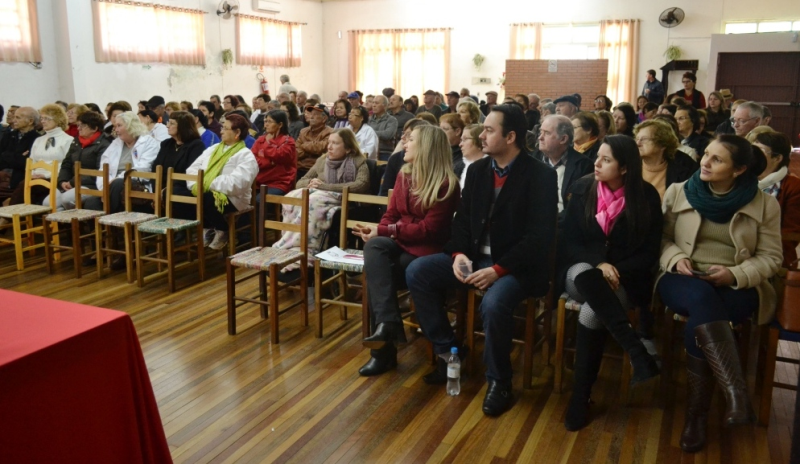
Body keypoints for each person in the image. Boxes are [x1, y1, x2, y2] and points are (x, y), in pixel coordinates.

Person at [406, 105, 558, 417]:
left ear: (511, 136)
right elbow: (462, 221)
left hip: (515, 267)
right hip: (476, 259)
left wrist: (498, 270)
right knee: (419, 271)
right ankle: (450, 353)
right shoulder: (477, 170)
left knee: (493, 303)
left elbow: (539, 237)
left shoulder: (540, 175)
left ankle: (499, 381)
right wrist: (459, 254)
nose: (480, 135)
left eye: (488, 130)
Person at [657, 135, 781, 453]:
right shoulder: (679, 191)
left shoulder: (764, 203)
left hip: (737, 285)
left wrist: (734, 274)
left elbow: (771, 258)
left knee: (701, 314)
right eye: (706, 155)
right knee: (700, 298)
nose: (705, 163)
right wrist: (676, 258)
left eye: (717, 160)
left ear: (739, 169)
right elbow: (661, 240)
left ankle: (696, 415)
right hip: (683, 277)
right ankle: (735, 396)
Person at [562, 135, 663, 431]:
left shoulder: (645, 197)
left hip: (626, 279)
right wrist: (600, 263)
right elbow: (569, 242)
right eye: (598, 157)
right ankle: (636, 350)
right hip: (580, 272)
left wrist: (614, 268)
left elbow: (648, 252)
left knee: (590, 312)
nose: (597, 163)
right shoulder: (583, 188)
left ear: (625, 168)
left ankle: (580, 397)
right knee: (584, 271)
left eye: (606, 160)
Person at [355, 125, 461, 376]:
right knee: (374, 246)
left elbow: (429, 231)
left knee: (379, 275)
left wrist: (391, 229)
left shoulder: (446, 184)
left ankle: (384, 352)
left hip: (426, 253)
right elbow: (390, 215)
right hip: (402, 244)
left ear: (426, 147)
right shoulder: (404, 174)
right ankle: (388, 325)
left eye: (411, 139)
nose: (404, 143)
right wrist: (383, 230)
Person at [272, 128, 370, 261]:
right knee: (291, 197)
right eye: (329, 142)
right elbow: (300, 182)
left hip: (347, 201)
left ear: (348, 148)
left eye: (335, 143)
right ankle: (291, 245)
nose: (329, 147)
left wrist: (325, 187)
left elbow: (360, 186)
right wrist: (311, 183)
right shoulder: (322, 160)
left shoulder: (358, 161)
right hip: (321, 195)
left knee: (312, 201)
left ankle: (308, 247)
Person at [180, 114, 258, 251]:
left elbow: (237, 184)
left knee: (206, 197)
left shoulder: (245, 155)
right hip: (206, 190)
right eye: (221, 127)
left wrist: (207, 182)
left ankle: (222, 229)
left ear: (237, 132)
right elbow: (192, 169)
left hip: (232, 198)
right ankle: (208, 227)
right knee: (177, 192)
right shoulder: (213, 149)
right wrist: (201, 183)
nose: (221, 131)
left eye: (225, 128)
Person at [84, 112, 160, 214]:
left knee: (118, 183)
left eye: (119, 126)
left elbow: (143, 168)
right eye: (115, 126)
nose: (116, 130)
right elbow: (104, 167)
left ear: (131, 126)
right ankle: (108, 226)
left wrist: (116, 180)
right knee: (90, 203)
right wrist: (105, 187)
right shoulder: (116, 143)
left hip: (138, 184)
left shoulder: (149, 142)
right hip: (113, 187)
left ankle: (111, 224)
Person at [5, 104, 77, 208]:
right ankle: (19, 216)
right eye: (42, 118)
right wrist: (33, 174)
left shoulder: (68, 140)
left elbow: (67, 165)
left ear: (58, 119)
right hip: (35, 178)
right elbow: (32, 161)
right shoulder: (38, 140)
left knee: (24, 185)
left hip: (55, 178)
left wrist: (46, 175)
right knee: (26, 184)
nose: (42, 121)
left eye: (47, 118)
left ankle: (11, 215)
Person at [749, 130, 800, 266]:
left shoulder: (793, 186)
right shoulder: (743, 179)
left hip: (773, 254)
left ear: (777, 158)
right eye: (752, 150)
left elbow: (791, 234)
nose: (753, 155)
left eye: (760, 151)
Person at [50, 111, 112, 211]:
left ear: (95, 128)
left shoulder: (104, 144)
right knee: (48, 203)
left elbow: (99, 172)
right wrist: (63, 181)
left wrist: (73, 182)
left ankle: (76, 222)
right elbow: (66, 163)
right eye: (78, 125)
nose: (78, 128)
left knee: (67, 199)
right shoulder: (76, 141)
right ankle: (67, 223)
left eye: (82, 126)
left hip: (91, 185)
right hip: (72, 183)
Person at [534, 115, 593, 215]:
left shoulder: (582, 165)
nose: (540, 137)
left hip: (562, 224)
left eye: (547, 133)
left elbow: (576, 210)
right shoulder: (534, 159)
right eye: (541, 132)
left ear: (563, 139)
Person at [633, 119, 699, 200]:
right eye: (637, 139)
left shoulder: (684, 166)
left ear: (662, 145)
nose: (637, 143)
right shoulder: (629, 165)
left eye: (644, 139)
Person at [151, 111, 205, 200]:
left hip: (182, 189)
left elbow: (190, 173)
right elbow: (155, 167)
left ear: (182, 126)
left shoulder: (196, 146)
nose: (167, 126)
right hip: (161, 188)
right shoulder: (166, 144)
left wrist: (167, 189)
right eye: (168, 122)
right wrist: (157, 189)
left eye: (172, 123)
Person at [379, 119, 431, 197]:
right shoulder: (395, 159)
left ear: (423, 140)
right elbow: (385, 192)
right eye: (403, 133)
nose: (402, 137)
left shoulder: (432, 164)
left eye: (408, 135)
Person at [250, 109, 297, 196]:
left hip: (279, 183)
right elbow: (252, 158)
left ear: (280, 124)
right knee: (245, 200)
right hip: (259, 182)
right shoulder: (260, 139)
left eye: (270, 121)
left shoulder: (288, 141)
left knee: (259, 202)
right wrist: (269, 162)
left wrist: (268, 144)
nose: (266, 124)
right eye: (265, 121)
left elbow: (279, 155)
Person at [0, 107, 41, 190]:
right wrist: (19, 156)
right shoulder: (8, 135)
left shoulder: (37, 139)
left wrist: (7, 155)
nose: (14, 120)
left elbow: (27, 163)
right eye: (14, 117)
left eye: (18, 118)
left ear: (30, 121)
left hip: (21, 178)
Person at [368, 95, 398, 161]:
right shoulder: (368, 119)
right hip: (370, 150)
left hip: (384, 151)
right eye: (373, 103)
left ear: (384, 106)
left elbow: (387, 135)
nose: (373, 105)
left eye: (376, 103)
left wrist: (369, 132)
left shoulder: (391, 120)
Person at [457, 123, 487, 188]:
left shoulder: (487, 169)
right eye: (461, 140)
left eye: (464, 139)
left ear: (479, 141)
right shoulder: (461, 166)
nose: (460, 144)